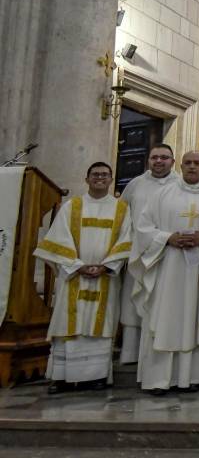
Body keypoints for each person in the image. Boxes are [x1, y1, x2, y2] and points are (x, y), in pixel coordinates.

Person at [134, 151, 199, 395]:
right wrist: (168, 238)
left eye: (197, 163)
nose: (192, 167)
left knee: (196, 315)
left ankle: (194, 376)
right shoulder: (161, 195)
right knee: (164, 318)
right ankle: (158, 379)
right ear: (181, 166)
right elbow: (143, 228)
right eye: (188, 163)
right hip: (167, 267)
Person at [35, 162, 132, 394]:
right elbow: (59, 238)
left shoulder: (121, 209)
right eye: (95, 175)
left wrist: (106, 266)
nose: (100, 178)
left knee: (99, 328)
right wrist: (77, 266)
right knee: (69, 326)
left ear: (111, 180)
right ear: (86, 178)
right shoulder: (72, 206)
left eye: (105, 175)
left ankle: (96, 377)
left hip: (105, 278)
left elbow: (127, 241)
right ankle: (61, 377)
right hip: (73, 278)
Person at [118, 145, 179, 364]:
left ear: (173, 161)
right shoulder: (136, 184)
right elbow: (121, 215)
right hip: (139, 252)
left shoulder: (180, 185)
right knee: (135, 300)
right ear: (148, 161)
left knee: (161, 302)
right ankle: (130, 353)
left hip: (168, 253)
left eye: (164, 157)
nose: (159, 161)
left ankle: (158, 352)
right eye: (155, 157)